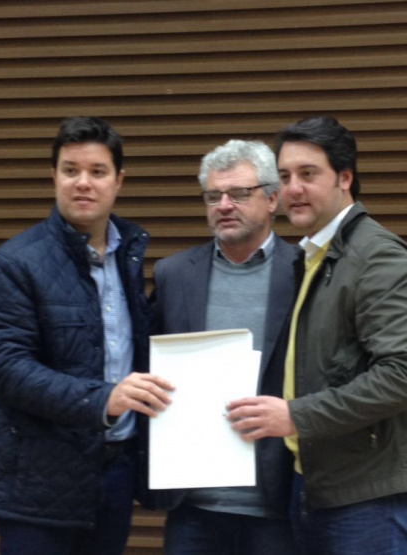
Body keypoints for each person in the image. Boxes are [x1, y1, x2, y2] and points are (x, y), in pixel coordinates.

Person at [0, 116, 174, 555]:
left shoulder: (128, 255)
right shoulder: (15, 263)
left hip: (114, 469)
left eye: (97, 171)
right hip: (36, 481)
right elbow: (7, 368)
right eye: (70, 170)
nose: (83, 183)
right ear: (54, 176)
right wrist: (103, 399)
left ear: (119, 181)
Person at [227, 115, 407, 554]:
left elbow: (402, 376)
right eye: (285, 176)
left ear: (345, 177)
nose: (293, 189)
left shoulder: (378, 258)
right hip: (317, 486)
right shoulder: (314, 257)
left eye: (308, 174)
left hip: (370, 496)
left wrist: (295, 416)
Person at [148, 139, 302, 555]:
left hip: (276, 502)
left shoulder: (305, 271)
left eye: (239, 193)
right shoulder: (174, 274)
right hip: (193, 504)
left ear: (273, 199)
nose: (224, 205)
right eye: (214, 196)